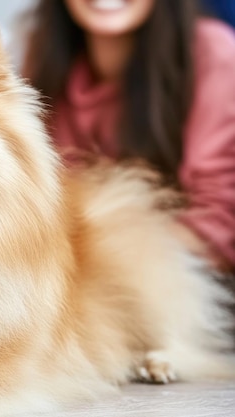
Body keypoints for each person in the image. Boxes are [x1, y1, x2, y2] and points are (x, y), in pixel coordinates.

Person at [18, 0, 235, 273]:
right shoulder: (42, 54)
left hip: (174, 284)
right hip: (70, 278)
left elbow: (216, 224)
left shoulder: (215, 55)